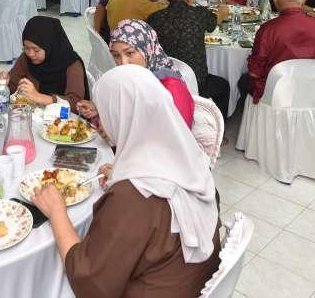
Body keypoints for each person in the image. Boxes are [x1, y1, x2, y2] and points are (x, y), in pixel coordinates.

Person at [31, 65, 221, 298]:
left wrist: (56, 212)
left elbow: (90, 285)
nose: (100, 121)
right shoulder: (191, 159)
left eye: (104, 112)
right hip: (189, 282)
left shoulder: (132, 197)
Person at [238, 0, 315, 109]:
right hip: (309, 92)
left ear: (275, 0)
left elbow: (255, 72)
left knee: (244, 80)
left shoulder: (268, 30)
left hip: (274, 95)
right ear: (304, 0)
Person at [147, 0, 232, 116]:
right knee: (224, 86)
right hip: (197, 81)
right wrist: (222, 12)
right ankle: (218, 127)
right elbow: (212, 24)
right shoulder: (199, 13)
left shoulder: (154, 17)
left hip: (165, 79)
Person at [109, 19, 194, 128]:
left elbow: (179, 133)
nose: (123, 63)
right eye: (116, 55)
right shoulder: (126, 80)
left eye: (129, 53)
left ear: (147, 50)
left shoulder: (171, 87)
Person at [0, 16, 89, 113]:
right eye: (26, 48)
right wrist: (3, 85)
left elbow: (76, 103)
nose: (31, 54)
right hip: (33, 115)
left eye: (36, 50)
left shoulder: (72, 64)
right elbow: (12, 88)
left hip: (62, 119)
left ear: (50, 46)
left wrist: (39, 97)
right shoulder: (26, 58)